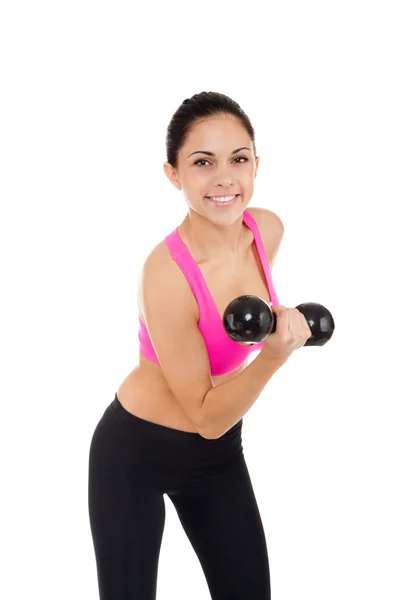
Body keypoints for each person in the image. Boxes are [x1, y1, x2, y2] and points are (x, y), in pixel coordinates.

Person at [88, 91, 311, 600]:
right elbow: (206, 413)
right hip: (134, 453)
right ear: (174, 174)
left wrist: (277, 324)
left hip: (217, 456)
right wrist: (275, 354)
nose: (224, 178)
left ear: (257, 164)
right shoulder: (164, 274)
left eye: (238, 159)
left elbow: (216, 427)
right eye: (202, 162)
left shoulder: (266, 231)